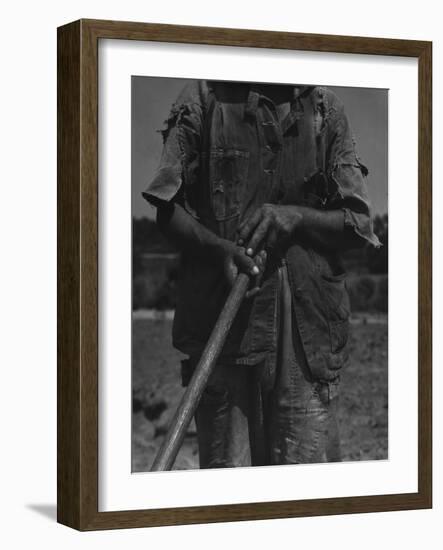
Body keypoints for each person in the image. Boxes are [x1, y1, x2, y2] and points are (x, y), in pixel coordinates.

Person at [142, 80, 380, 468]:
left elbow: (357, 223)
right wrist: (219, 248)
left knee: (305, 495)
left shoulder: (325, 108)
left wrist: (297, 217)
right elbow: (167, 210)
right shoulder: (204, 99)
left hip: (308, 333)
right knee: (228, 489)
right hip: (221, 325)